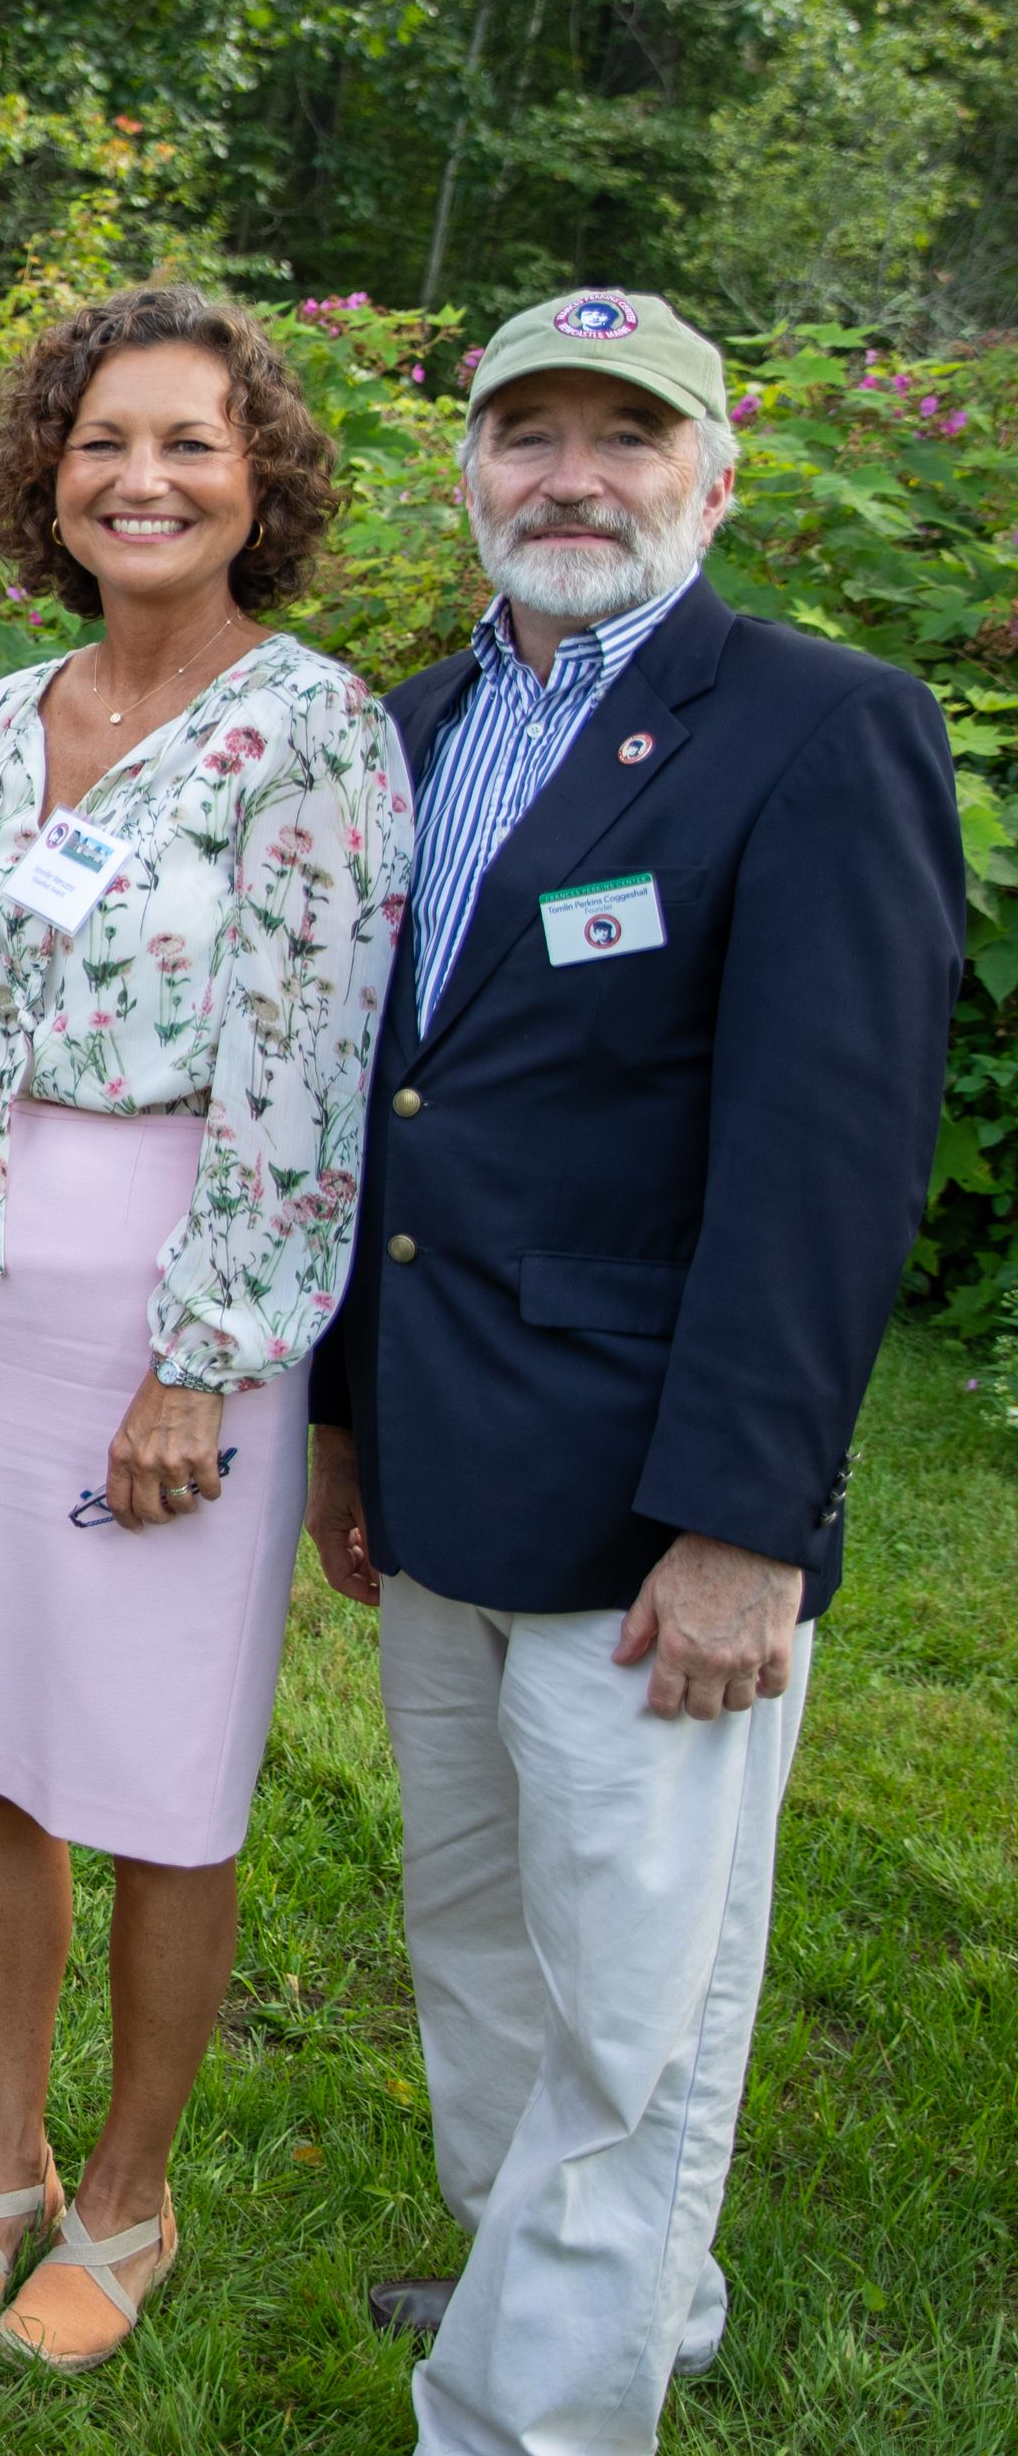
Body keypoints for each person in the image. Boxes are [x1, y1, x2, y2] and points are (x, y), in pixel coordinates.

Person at [307, 292, 961, 2453]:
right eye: (526, 433)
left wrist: (742, 1520)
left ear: (714, 469)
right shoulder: (404, 727)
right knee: (479, 1936)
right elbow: (375, 1104)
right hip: (437, 1463)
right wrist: (335, 1422)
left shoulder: (809, 725)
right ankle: (557, 2280)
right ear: (465, 465)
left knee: (630, 2004)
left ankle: (525, 2416)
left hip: (647, 1502)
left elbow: (822, 1160)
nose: (568, 476)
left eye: (623, 434)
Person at [0, 286, 411, 2372]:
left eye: (187, 442)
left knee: (160, 1769)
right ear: (47, 474)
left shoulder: (314, 728)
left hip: (167, 1282)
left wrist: (209, 1349)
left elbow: (302, 1066)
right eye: (102, 440)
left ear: (253, 476)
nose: (141, 478)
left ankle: (125, 2192)